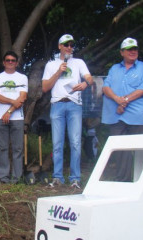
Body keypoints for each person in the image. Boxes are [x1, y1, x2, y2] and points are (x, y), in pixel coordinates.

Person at [42, 34, 93, 189]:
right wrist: (58, 72)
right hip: (57, 104)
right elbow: (45, 88)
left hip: (74, 105)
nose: (69, 47)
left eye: (71, 45)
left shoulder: (79, 62)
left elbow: (89, 78)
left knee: (75, 142)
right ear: (59, 46)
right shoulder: (51, 65)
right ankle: (57, 177)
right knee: (57, 143)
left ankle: (75, 178)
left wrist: (85, 84)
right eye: (66, 45)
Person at [102, 37, 143, 182]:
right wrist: (117, 99)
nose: (133, 51)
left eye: (135, 49)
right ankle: (122, 180)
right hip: (115, 115)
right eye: (129, 49)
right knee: (119, 149)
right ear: (122, 52)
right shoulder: (114, 68)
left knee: (140, 150)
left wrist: (124, 100)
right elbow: (106, 87)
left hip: (137, 116)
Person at [0, 50, 28, 184]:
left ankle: (16, 178)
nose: (10, 62)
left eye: (13, 60)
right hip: (0, 118)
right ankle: (3, 178)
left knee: (18, 149)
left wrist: (9, 111)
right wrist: (13, 102)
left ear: (17, 63)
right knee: (3, 148)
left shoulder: (22, 78)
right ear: (3, 62)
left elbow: (22, 97)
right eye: (8, 60)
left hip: (17, 118)